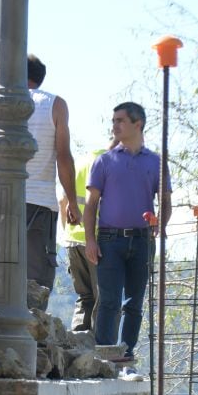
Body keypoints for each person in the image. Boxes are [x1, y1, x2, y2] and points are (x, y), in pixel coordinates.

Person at [84, 102, 171, 363]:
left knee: (134, 303)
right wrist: (90, 240)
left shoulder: (156, 162)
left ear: (138, 124)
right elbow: (90, 206)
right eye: (113, 121)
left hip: (143, 240)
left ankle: (126, 356)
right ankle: (103, 357)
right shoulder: (104, 161)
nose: (115, 126)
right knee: (109, 301)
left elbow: (166, 202)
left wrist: (160, 225)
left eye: (120, 120)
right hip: (109, 240)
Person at [25, 54, 79, 302]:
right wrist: (72, 201)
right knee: (36, 279)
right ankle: (33, 338)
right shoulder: (54, 105)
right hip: (39, 204)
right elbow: (63, 157)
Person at [60, 146, 108, 333]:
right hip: (96, 241)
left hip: (72, 240)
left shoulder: (79, 163)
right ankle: (99, 351)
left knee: (84, 297)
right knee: (103, 299)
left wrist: (67, 234)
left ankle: (77, 344)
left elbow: (63, 202)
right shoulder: (108, 164)